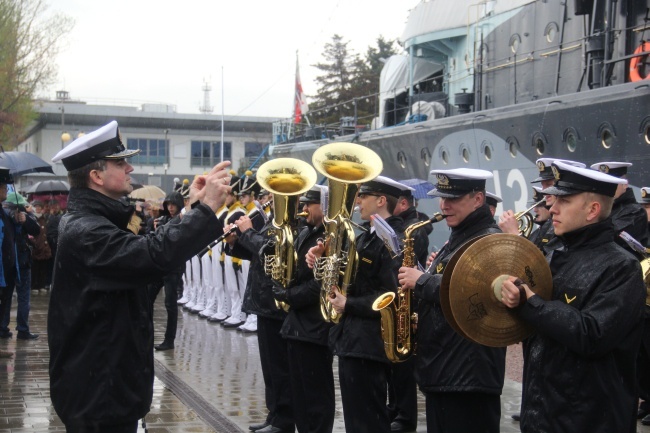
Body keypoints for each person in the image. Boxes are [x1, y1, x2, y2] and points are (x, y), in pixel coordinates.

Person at [47, 120, 231, 433]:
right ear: (96, 175)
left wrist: (191, 209)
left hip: (104, 386)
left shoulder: (90, 222)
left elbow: (146, 252)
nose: (130, 167)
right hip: (99, 395)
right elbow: (150, 255)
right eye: (120, 162)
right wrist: (207, 209)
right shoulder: (87, 231)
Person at [499, 160, 645, 433]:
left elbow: (593, 335)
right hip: (543, 415)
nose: (552, 207)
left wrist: (531, 303)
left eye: (564, 200)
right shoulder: (554, 255)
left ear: (592, 209)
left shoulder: (622, 267)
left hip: (589, 420)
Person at [398, 168, 505, 433]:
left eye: (454, 199)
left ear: (478, 199)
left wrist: (421, 280)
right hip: (449, 371)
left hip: (468, 376)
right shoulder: (461, 235)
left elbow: (473, 291)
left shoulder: (487, 239)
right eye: (442, 198)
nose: (444, 205)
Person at [308, 176, 405, 433]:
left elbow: (390, 296)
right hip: (353, 340)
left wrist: (348, 304)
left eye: (365, 196)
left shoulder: (392, 240)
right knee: (356, 418)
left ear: (382, 201)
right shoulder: (365, 237)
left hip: (369, 342)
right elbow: (345, 280)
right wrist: (322, 262)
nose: (358, 202)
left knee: (368, 419)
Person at [271, 185, 335, 433]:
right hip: (297, 325)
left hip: (314, 326)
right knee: (300, 395)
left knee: (315, 395)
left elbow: (319, 285)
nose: (304, 209)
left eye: (310, 204)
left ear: (324, 206)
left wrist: (288, 294)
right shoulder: (305, 233)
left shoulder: (328, 236)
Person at [231, 189, 295, 433]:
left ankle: (284, 420)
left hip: (275, 304)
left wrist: (248, 232)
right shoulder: (272, 221)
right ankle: (274, 414)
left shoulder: (290, 225)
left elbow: (271, 251)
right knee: (269, 367)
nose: (270, 199)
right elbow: (257, 253)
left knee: (278, 367)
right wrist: (235, 242)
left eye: (275, 195)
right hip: (263, 303)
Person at [387, 182, 425, 433]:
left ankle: (405, 414)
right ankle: (397, 408)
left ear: (403, 203)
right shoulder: (399, 226)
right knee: (395, 364)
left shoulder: (415, 229)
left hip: (408, 299)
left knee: (403, 366)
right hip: (402, 295)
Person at [147, 190, 185, 351]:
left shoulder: (182, 220)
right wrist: (155, 227)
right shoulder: (163, 220)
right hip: (160, 266)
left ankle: (169, 340)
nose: (170, 208)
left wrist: (163, 228)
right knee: (147, 298)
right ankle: (146, 334)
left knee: (170, 304)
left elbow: (176, 236)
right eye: (168, 204)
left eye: (173, 204)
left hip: (173, 267)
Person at [1, 192, 41, 340]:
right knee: (23, 296)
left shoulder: (4, 212)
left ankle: (3, 327)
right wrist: (27, 217)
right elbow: (36, 230)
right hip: (22, 261)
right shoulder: (19, 213)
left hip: (7, 262)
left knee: (6, 296)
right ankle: (23, 329)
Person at [590, 161, 648, 256]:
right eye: (602, 184)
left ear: (625, 184)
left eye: (612, 183)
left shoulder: (636, 212)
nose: (606, 188)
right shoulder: (597, 208)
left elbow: (611, 236)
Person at [30, 200, 52, 293]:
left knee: (43, 268)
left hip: (44, 246)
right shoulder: (31, 218)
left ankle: (42, 285)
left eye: (39, 207)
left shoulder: (45, 219)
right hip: (36, 247)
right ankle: (34, 286)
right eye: (36, 207)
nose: (38, 208)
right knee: (35, 268)